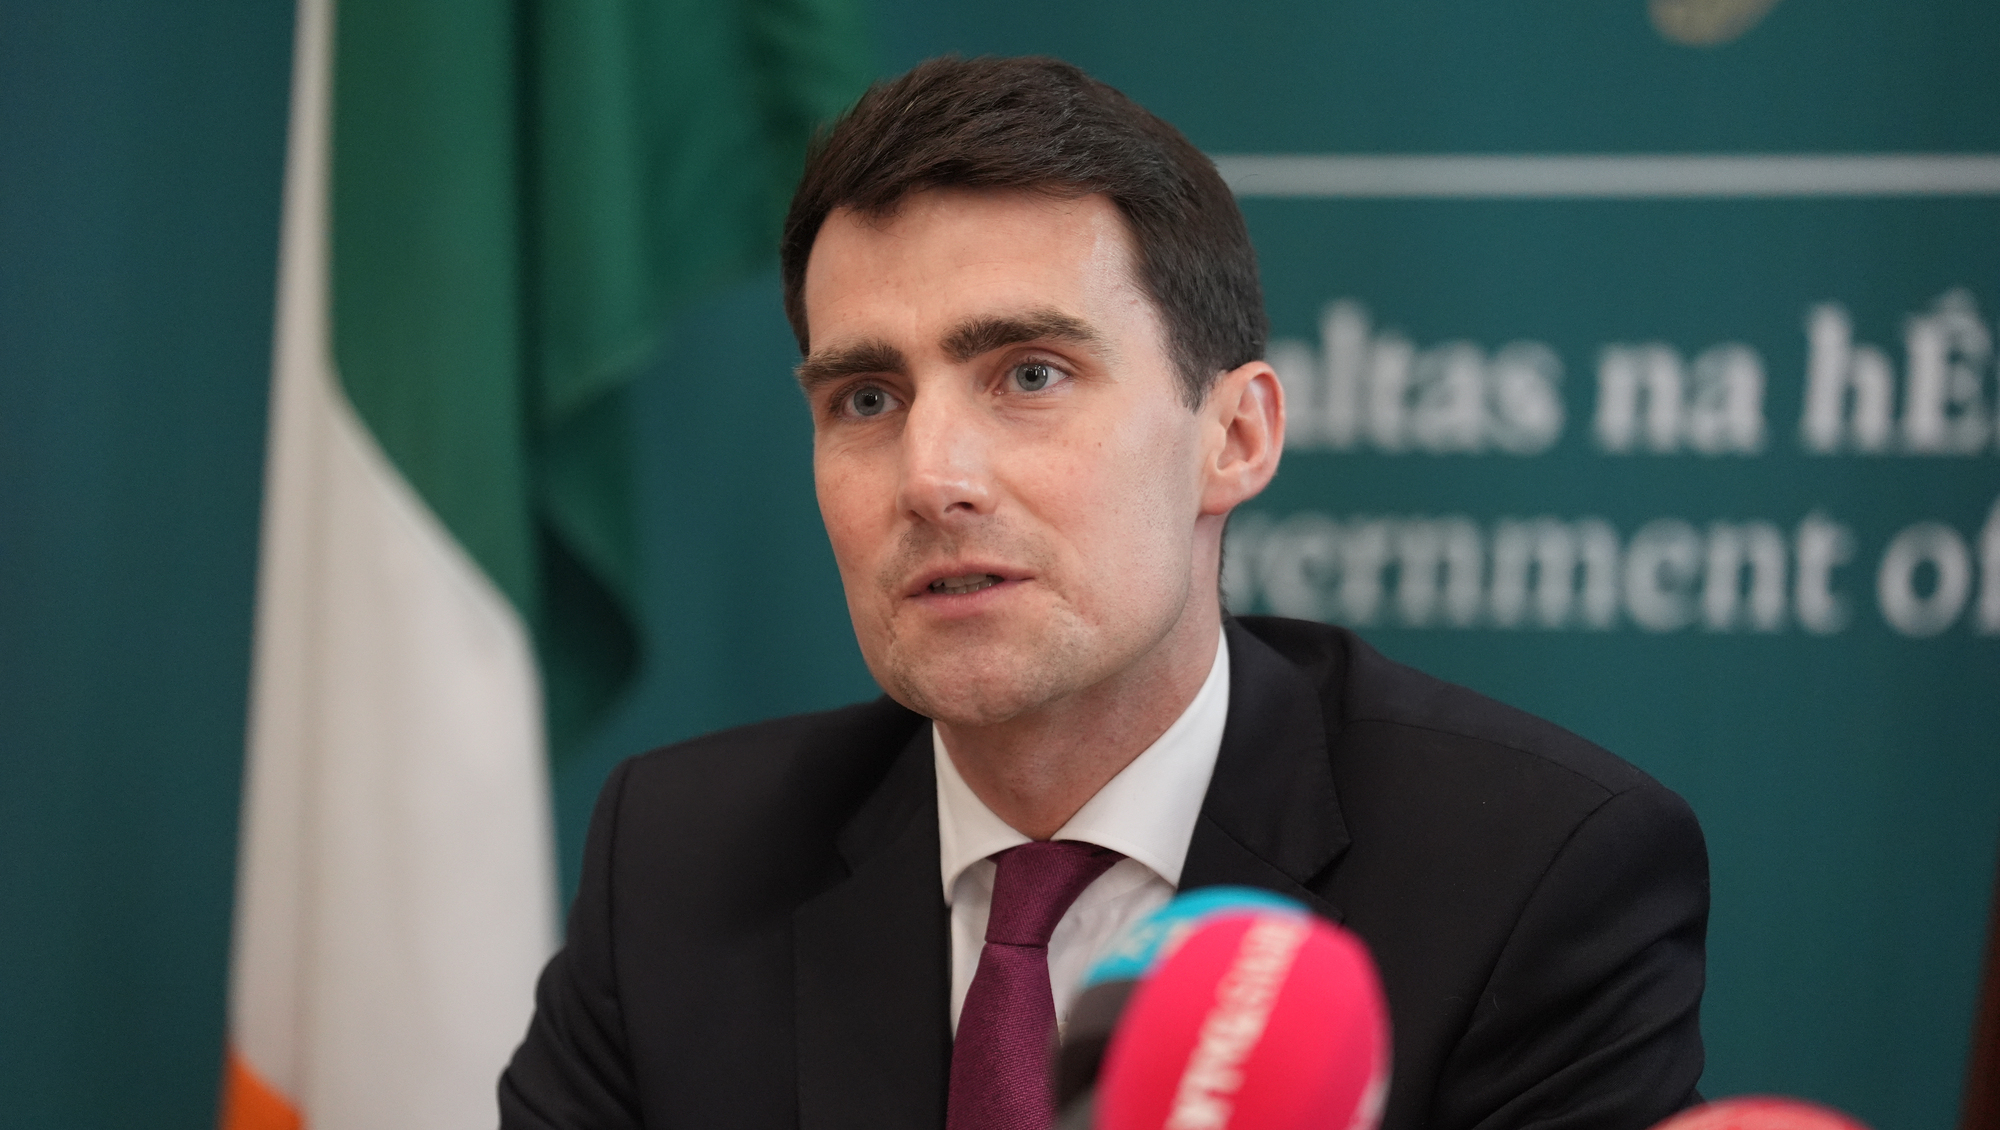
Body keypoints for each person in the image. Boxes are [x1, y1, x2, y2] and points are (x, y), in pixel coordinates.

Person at [500, 55, 1707, 1130]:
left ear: (1234, 436)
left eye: (1028, 374)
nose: (930, 477)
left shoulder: (1528, 873)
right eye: (866, 398)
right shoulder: (679, 861)